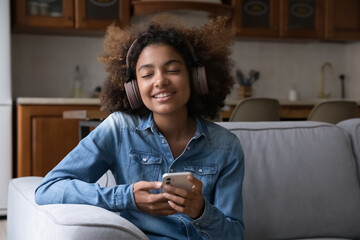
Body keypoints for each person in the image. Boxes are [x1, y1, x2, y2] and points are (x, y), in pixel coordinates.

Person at [35, 14, 245, 240]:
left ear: (196, 77)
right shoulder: (119, 130)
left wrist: (201, 212)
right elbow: (49, 189)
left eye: (173, 70)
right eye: (147, 74)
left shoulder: (226, 146)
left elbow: (234, 235)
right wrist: (126, 197)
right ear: (133, 87)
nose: (160, 81)